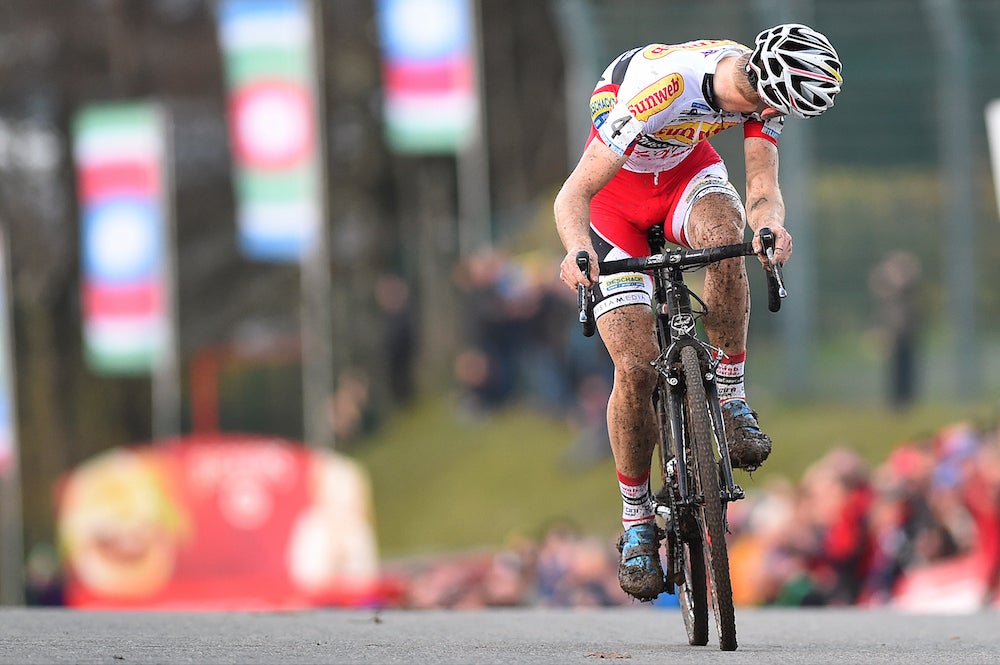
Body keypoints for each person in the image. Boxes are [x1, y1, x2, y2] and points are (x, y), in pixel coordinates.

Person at [553, 24, 842, 601]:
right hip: (615, 200)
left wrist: (768, 226)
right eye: (768, 106)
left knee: (727, 234)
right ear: (757, 81)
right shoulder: (669, 88)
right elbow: (573, 195)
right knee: (635, 365)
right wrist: (576, 249)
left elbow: (762, 184)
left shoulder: (765, 91)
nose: (768, 115)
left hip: (685, 174)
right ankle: (636, 522)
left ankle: (731, 400)